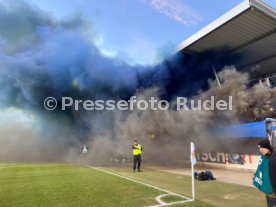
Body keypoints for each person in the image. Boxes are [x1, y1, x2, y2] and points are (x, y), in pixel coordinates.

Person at [253, 139, 276, 207]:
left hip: (273, 192)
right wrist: (257, 175)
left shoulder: (273, 158)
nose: (261, 149)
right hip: (267, 191)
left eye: (263, 147)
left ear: (268, 147)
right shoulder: (264, 157)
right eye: (260, 148)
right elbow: (262, 169)